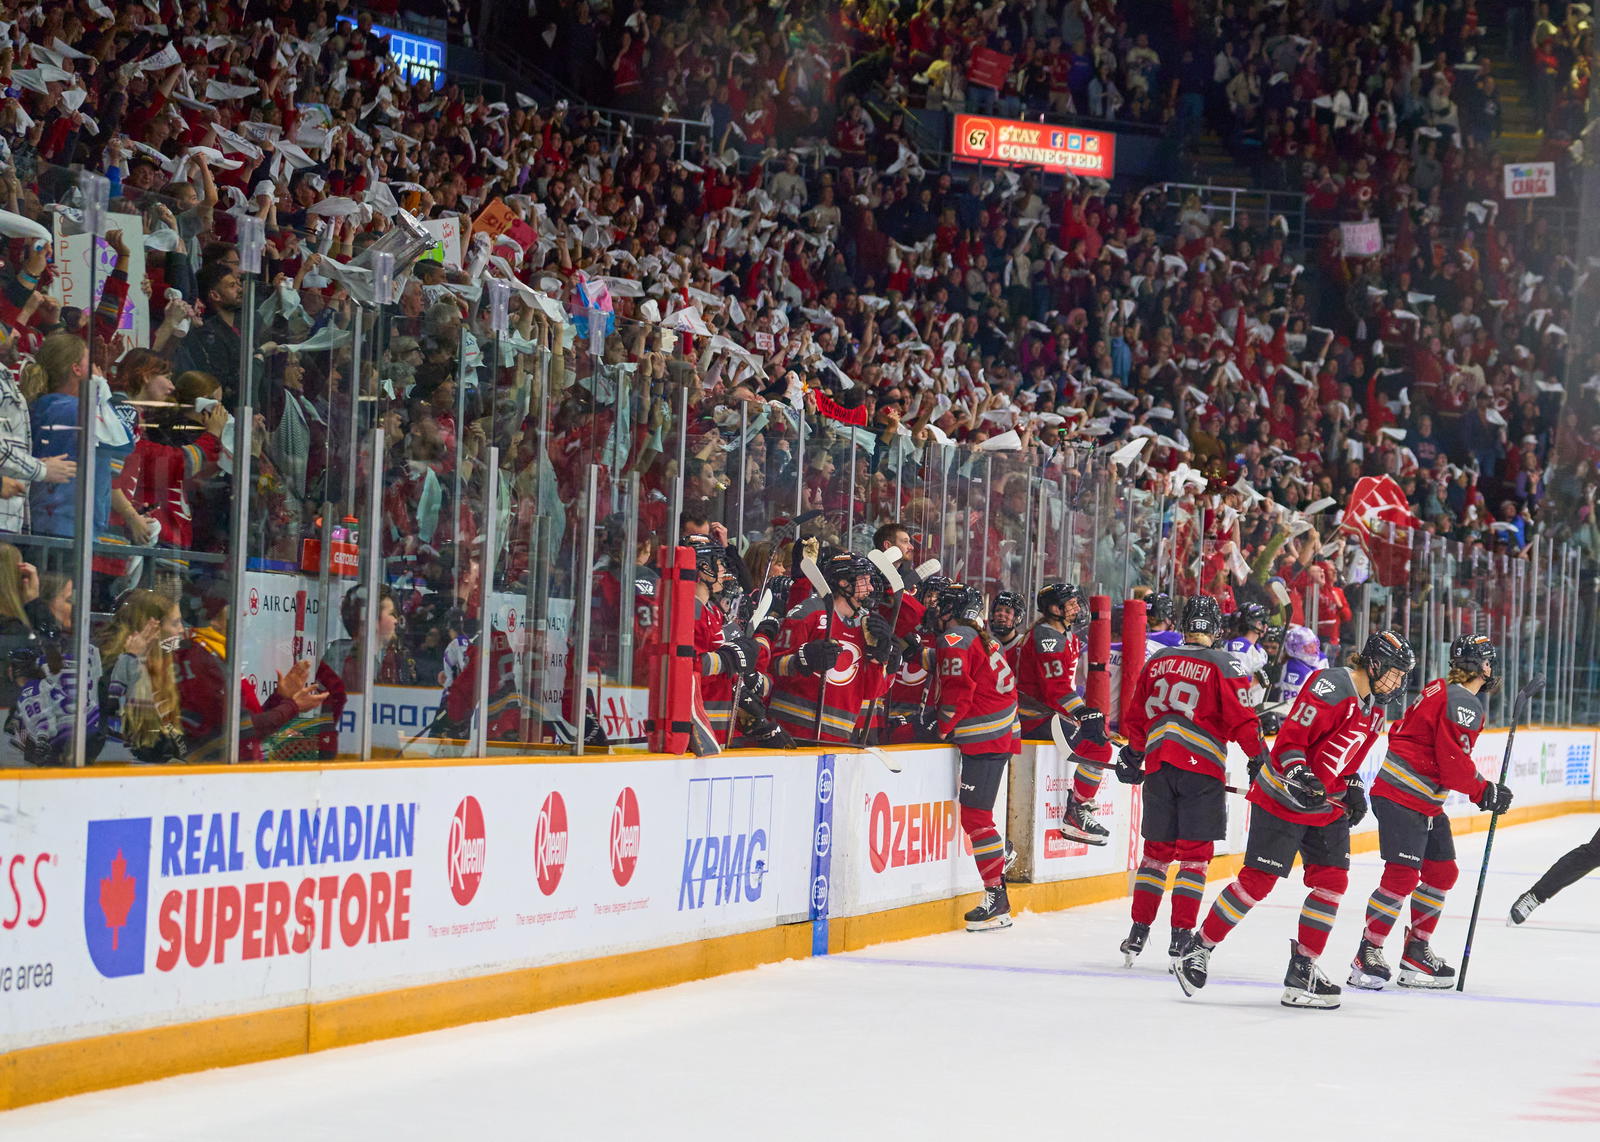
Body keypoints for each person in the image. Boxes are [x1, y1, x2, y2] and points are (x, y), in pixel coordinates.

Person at [1175, 630, 1416, 1010]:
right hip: (1283, 796)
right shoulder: (1332, 685)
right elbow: (1291, 740)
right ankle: (1198, 948)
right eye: (1396, 673)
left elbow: (1350, 759)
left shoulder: (1376, 710)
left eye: (1403, 676)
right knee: (1258, 882)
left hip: (1326, 806)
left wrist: (1351, 784)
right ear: (1374, 663)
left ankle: (1303, 968)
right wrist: (1301, 773)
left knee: (1332, 883)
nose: (1398, 682)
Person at [1350, 633, 1512, 989]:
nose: (1491, 667)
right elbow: (1453, 762)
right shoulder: (1464, 702)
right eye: (1487, 661)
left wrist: (1482, 788)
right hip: (1402, 796)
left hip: (1420, 800)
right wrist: (1485, 791)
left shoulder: (1442, 688)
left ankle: (1415, 952)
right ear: (1478, 665)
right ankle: (1368, 951)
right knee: (1402, 875)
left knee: (1442, 872)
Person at [1115, 595, 1270, 965]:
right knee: (1194, 859)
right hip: (1201, 770)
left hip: (1158, 766)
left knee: (1155, 855)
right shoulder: (1226, 663)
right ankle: (1181, 936)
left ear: (1185, 626)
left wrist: (1135, 753)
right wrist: (1257, 756)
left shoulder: (1159, 660)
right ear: (1216, 630)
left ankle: (1138, 932)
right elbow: (1242, 719)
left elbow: (1136, 716)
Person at [928, 582, 1021, 932]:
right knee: (978, 818)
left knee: (978, 819)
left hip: (984, 736)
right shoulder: (981, 638)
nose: (936, 612)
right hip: (999, 733)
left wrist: (942, 726)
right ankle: (999, 858)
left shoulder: (954, 638)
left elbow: (959, 690)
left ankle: (997, 897)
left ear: (951, 610)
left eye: (941, 606)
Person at [1015, 582, 1111, 844]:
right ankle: (1076, 810)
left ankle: (1081, 803)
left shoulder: (1064, 635)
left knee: (1099, 740)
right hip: (1035, 718)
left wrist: (1082, 713)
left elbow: (1063, 687)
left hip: (1050, 715)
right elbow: (1054, 690)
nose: (1077, 607)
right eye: (1070, 603)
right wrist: (1082, 712)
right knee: (1099, 748)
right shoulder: (1047, 638)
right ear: (1054, 609)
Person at [767, 550, 895, 745]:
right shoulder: (808, 613)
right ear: (844, 582)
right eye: (864, 580)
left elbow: (871, 692)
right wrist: (804, 660)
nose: (870, 587)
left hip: (841, 738)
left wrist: (881, 657)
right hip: (791, 733)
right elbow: (774, 666)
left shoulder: (868, 625)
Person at [95, 589, 187, 764]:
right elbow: (115, 716)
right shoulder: (111, 668)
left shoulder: (169, 666)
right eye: (175, 623)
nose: (182, 630)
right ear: (152, 627)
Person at [1224, 601, 1271, 706]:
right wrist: (1257, 680)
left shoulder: (1259, 650)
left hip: (1255, 706)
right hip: (1239, 709)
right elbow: (1235, 684)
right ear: (1258, 624)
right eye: (1263, 622)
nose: (1266, 627)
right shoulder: (1239, 647)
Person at [989, 590, 1026, 658]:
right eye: (998, 610)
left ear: (1017, 617)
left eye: (1008, 611)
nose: (1001, 614)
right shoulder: (985, 643)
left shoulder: (1024, 645)